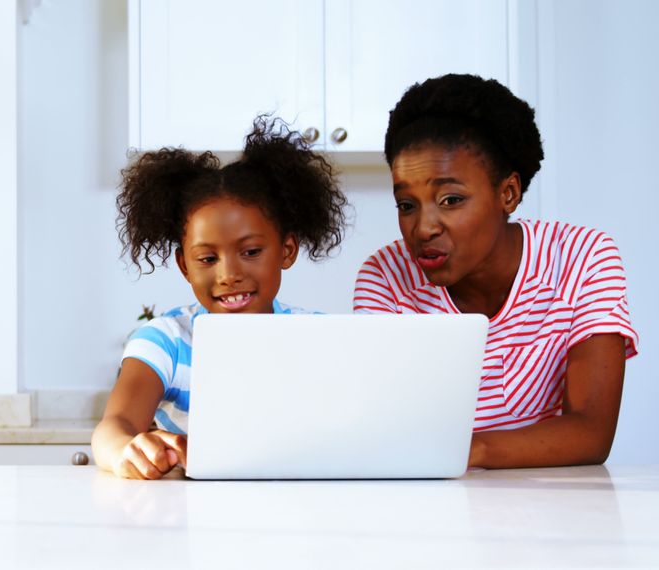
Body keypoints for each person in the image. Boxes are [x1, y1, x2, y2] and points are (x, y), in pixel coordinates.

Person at [353, 74, 639, 469]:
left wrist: (468, 451)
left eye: (450, 199)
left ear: (508, 193)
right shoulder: (385, 276)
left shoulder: (582, 257)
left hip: (556, 509)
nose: (423, 228)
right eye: (406, 205)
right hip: (427, 506)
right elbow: (383, 425)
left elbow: (591, 433)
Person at [93, 116, 348, 479]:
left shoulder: (321, 336)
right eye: (208, 259)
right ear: (184, 265)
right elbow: (114, 424)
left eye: (251, 251)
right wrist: (123, 450)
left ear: (287, 250)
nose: (229, 275)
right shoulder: (166, 341)